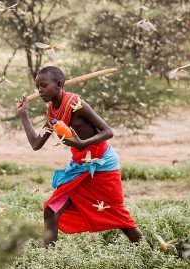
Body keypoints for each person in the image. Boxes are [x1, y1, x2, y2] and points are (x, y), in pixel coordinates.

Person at [16, 66, 143, 248]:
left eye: (44, 85)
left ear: (59, 85)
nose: (40, 91)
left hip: (103, 165)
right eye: (38, 87)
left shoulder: (77, 105)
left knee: (118, 216)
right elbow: (36, 144)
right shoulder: (53, 113)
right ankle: (46, 261)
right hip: (79, 167)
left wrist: (82, 144)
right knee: (51, 210)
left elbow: (108, 132)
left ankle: (150, 253)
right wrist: (23, 115)